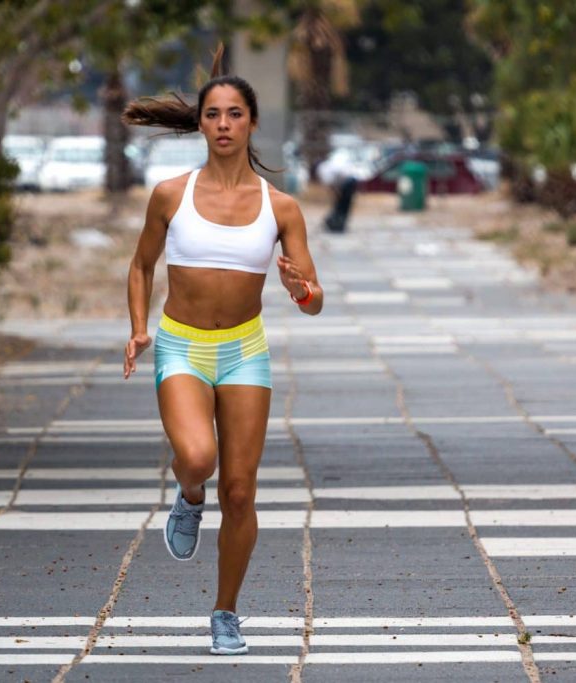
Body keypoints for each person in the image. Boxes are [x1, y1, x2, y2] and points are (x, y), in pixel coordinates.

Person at [122, 45, 323, 656]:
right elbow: (141, 266)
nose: (225, 125)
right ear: (201, 124)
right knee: (197, 457)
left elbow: (315, 299)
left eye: (236, 114)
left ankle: (225, 612)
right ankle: (187, 498)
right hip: (181, 344)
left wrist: (299, 288)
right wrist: (138, 327)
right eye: (214, 114)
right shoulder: (169, 194)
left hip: (244, 351)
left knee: (241, 491)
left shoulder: (280, 207)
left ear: (252, 122)